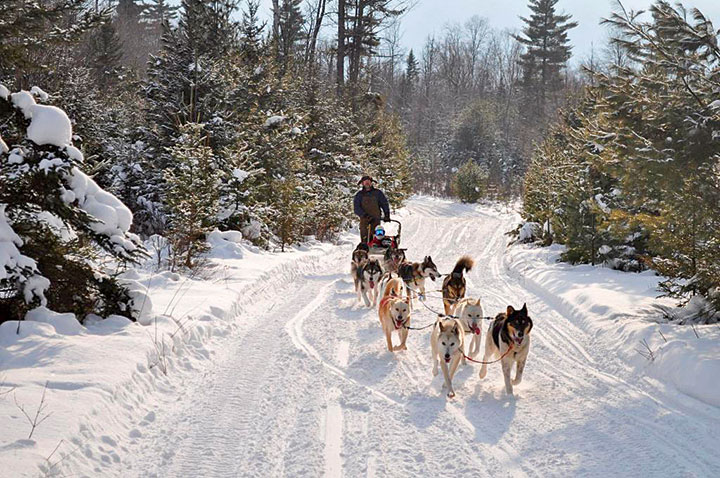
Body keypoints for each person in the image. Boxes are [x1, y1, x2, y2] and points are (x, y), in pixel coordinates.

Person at [354, 175, 390, 244]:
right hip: (364, 221)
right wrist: (364, 215)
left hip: (376, 220)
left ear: (371, 183)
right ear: (362, 183)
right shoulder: (359, 195)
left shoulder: (378, 193)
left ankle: (377, 252)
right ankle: (365, 252)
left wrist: (387, 214)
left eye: (368, 181)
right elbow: (356, 208)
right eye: (365, 182)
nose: (367, 183)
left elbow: (384, 204)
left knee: (377, 238)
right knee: (365, 239)